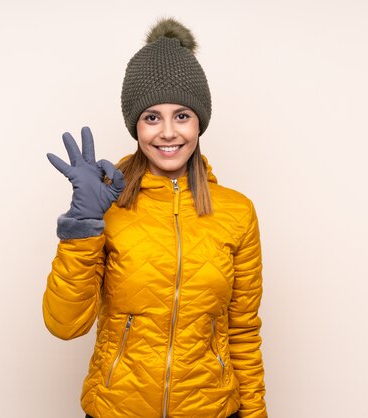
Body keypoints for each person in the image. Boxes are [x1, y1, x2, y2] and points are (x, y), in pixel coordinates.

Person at [43, 17, 267, 418]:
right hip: (116, 409)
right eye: (152, 117)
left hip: (214, 409)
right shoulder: (106, 206)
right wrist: (83, 226)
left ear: (200, 121)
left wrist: (255, 414)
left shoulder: (237, 212)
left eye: (182, 115)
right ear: (136, 126)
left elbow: (244, 333)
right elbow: (64, 325)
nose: (167, 133)